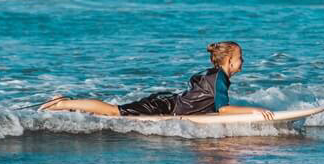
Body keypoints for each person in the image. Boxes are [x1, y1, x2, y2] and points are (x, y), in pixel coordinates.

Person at [38, 41, 274, 120]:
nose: (243, 61)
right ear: (229, 61)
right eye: (240, 58)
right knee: (113, 112)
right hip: (163, 107)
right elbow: (223, 109)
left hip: (167, 103)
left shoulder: (212, 74)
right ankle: (63, 103)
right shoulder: (219, 78)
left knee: (115, 114)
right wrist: (256, 111)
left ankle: (70, 108)